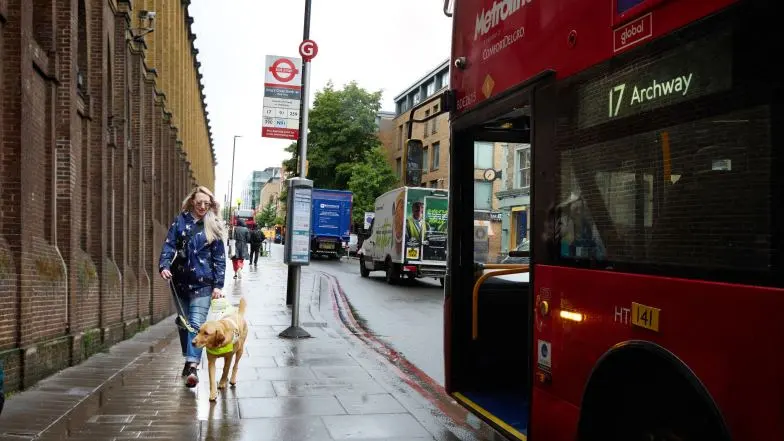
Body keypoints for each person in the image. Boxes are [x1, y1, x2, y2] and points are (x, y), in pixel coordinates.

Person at [159, 186, 226, 388]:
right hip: (180, 282)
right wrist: (164, 265)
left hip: (203, 284)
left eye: (207, 203)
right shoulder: (180, 222)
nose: (203, 207)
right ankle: (188, 358)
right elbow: (169, 245)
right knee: (183, 324)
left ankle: (193, 366)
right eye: (199, 203)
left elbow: (219, 258)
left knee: (196, 324)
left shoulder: (212, 224)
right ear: (192, 202)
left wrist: (218, 285)